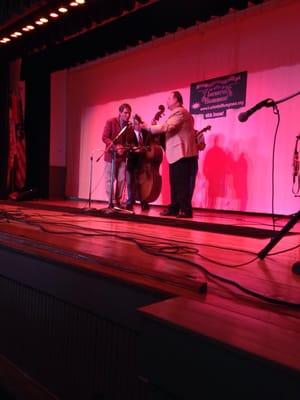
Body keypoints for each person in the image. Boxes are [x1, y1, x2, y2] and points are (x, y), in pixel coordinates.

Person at [144, 91, 198, 218]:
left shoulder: (180, 112)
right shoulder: (176, 114)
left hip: (182, 153)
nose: (167, 100)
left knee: (181, 183)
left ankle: (185, 210)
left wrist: (148, 127)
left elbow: (168, 127)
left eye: (169, 98)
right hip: (176, 154)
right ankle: (174, 207)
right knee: (175, 183)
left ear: (177, 100)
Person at [102, 103, 131, 207]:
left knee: (121, 179)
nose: (127, 115)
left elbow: (129, 142)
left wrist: (124, 148)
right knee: (110, 179)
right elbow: (105, 137)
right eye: (125, 113)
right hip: (111, 156)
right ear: (120, 112)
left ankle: (118, 200)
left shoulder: (129, 126)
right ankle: (111, 201)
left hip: (122, 156)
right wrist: (115, 147)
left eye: (129, 113)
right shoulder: (111, 122)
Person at [125, 114, 152, 211]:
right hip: (132, 162)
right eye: (136, 124)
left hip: (142, 163)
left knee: (141, 184)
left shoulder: (145, 133)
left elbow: (149, 146)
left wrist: (145, 148)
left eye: (139, 124)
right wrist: (133, 148)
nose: (138, 126)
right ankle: (130, 202)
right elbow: (128, 144)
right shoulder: (129, 132)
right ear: (134, 124)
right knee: (130, 183)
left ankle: (143, 202)